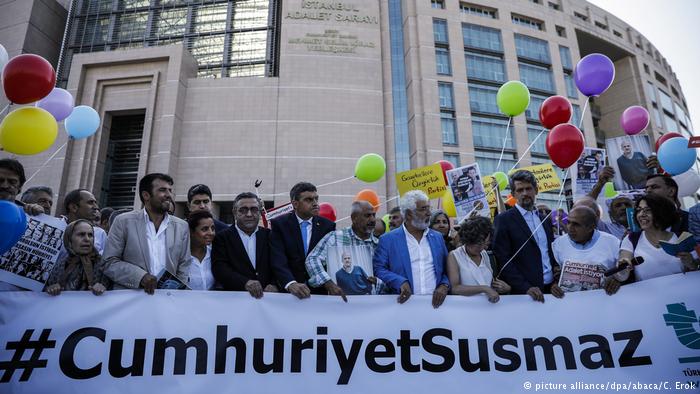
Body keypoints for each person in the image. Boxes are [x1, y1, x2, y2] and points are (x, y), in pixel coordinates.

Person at [103, 173, 191, 294]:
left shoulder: (182, 226)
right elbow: (109, 262)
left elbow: (184, 265)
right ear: (146, 195)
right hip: (130, 300)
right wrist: (140, 277)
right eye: (162, 190)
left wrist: (177, 292)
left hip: (168, 301)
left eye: (170, 190)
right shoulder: (123, 221)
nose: (169, 195)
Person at [492, 170, 564, 302]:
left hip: (550, 290)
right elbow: (503, 258)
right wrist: (525, 287)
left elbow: (550, 253)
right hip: (523, 295)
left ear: (536, 190)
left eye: (528, 188)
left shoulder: (545, 219)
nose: (525, 193)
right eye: (520, 190)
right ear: (513, 194)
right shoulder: (503, 220)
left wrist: (555, 280)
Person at [373, 190, 450, 308]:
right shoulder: (388, 240)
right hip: (403, 307)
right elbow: (379, 269)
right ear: (409, 214)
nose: (429, 213)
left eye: (429, 208)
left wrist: (444, 285)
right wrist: (400, 281)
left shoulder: (437, 238)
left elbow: (446, 269)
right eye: (423, 209)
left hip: (436, 307)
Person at [270, 182, 335, 299]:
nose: (315, 203)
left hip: (319, 293)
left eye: (316, 199)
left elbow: (329, 261)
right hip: (289, 293)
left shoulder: (328, 226)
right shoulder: (279, 224)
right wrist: (290, 283)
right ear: (295, 204)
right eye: (309, 200)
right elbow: (278, 259)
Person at [616, 194, 698, 283]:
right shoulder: (631, 239)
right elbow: (622, 276)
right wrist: (623, 268)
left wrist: (691, 264)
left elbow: (695, 271)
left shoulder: (682, 238)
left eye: (647, 210)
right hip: (648, 296)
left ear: (662, 212)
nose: (641, 214)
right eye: (639, 210)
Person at [306, 200, 378, 300]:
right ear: (354, 218)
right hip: (340, 305)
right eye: (367, 216)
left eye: (374, 215)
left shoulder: (378, 244)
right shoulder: (335, 237)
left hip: (372, 305)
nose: (373, 219)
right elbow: (312, 259)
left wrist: (378, 283)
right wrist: (328, 283)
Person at [212, 192, 276, 298]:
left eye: (254, 209)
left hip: (268, 300)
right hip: (235, 299)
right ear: (234, 212)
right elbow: (220, 268)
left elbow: (279, 263)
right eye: (243, 210)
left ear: (260, 212)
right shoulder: (222, 238)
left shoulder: (270, 236)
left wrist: (275, 284)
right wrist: (244, 282)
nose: (249, 214)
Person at [551, 206, 622, 295]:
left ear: (590, 227)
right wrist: (554, 286)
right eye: (568, 222)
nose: (570, 228)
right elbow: (556, 274)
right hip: (570, 304)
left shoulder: (613, 243)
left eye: (576, 224)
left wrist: (617, 280)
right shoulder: (558, 244)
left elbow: (625, 273)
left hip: (604, 302)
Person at [447, 216, 510, 303]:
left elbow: (490, 283)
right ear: (469, 239)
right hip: (467, 309)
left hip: (488, 307)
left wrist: (504, 287)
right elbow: (455, 288)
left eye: (486, 243)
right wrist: (484, 289)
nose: (483, 247)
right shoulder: (454, 256)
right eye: (479, 243)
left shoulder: (485, 255)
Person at [45, 219, 111, 296]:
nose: (87, 239)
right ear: (69, 239)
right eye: (81, 234)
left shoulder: (104, 265)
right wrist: (52, 288)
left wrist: (104, 288)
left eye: (90, 235)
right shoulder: (58, 265)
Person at [63, 189, 107, 254]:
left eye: (90, 235)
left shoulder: (100, 234)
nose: (96, 207)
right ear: (74, 207)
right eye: (90, 202)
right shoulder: (52, 228)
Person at [187, 210, 216, 290]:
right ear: (191, 231)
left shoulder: (215, 255)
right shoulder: (180, 257)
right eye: (204, 229)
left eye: (213, 228)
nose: (211, 233)